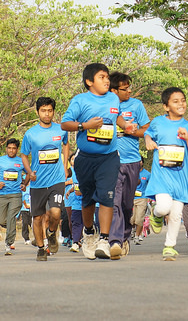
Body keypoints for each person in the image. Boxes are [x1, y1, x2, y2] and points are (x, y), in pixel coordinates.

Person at [61, 63, 137, 260]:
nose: (106, 80)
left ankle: (105, 239)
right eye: (102, 77)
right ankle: (88, 233)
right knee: (87, 199)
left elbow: (116, 116)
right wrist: (85, 125)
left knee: (106, 196)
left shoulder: (113, 98)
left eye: (107, 77)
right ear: (89, 81)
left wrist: (126, 126)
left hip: (110, 157)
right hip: (85, 158)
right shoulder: (80, 101)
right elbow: (65, 123)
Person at [144, 87, 188, 261]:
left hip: (181, 178)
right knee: (163, 207)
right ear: (166, 106)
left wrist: (187, 139)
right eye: (175, 101)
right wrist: (148, 141)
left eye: (183, 100)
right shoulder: (158, 122)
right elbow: (148, 134)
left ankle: (169, 247)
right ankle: (155, 214)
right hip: (162, 176)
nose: (181, 104)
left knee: (176, 214)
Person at [20, 96, 69, 261]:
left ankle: (52, 232)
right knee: (38, 217)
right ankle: (41, 249)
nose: (47, 114)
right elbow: (24, 155)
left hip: (57, 179)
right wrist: (29, 172)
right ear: (37, 112)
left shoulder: (61, 129)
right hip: (38, 182)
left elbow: (66, 144)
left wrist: (65, 164)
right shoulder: (30, 134)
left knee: (56, 212)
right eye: (43, 111)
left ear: (53, 112)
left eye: (49, 111)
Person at [108, 72, 150, 259]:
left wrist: (132, 131)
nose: (130, 91)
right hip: (110, 160)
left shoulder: (136, 105)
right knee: (114, 202)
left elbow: (147, 129)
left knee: (126, 204)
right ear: (113, 90)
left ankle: (125, 237)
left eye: (129, 88)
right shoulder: (106, 104)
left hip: (133, 161)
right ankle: (114, 241)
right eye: (125, 89)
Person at [0, 138, 27, 256]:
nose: (11, 150)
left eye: (14, 148)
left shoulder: (21, 161)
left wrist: (24, 184)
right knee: (1, 220)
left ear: (17, 149)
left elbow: (29, 173)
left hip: (15, 195)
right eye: (9, 148)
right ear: (6, 148)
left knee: (11, 217)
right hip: (2, 195)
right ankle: (11, 228)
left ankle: (8, 243)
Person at [132, 163, 150, 245]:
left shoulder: (147, 174)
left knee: (139, 218)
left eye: (140, 161)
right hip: (131, 198)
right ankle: (132, 231)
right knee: (131, 219)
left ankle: (137, 236)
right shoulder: (131, 171)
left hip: (142, 198)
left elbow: (151, 185)